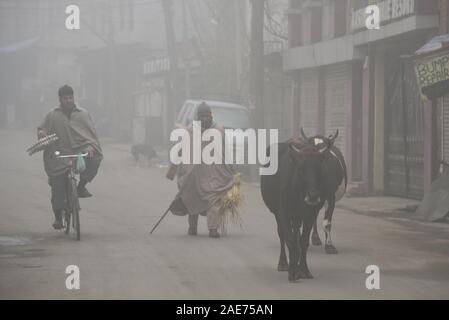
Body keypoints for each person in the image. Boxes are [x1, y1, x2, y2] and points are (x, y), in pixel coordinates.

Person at [37, 85, 103, 229]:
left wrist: (90, 146)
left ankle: (81, 186)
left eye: (71, 97)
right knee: (57, 187)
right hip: (60, 153)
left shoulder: (83, 114)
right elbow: (42, 129)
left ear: (74, 97)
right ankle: (58, 218)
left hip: (80, 152)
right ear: (60, 99)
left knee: (95, 157)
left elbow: (91, 135)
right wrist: (42, 134)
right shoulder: (52, 115)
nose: (69, 100)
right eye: (65, 98)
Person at [166, 102, 236, 238]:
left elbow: (225, 154)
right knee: (191, 199)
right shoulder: (188, 131)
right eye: (202, 116)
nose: (205, 119)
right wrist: (172, 171)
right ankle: (192, 227)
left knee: (214, 200)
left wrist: (232, 171)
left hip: (213, 174)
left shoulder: (219, 131)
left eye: (207, 116)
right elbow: (178, 151)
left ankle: (213, 229)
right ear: (197, 117)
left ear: (211, 116)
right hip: (192, 174)